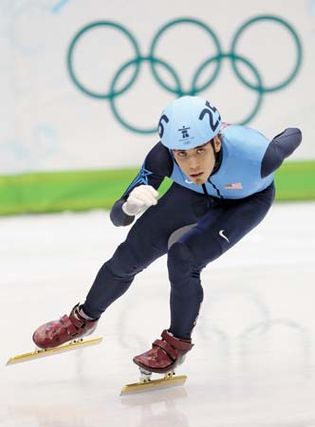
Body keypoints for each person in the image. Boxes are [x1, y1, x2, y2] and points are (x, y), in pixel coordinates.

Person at [33, 95, 302, 374]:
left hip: (245, 201)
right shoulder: (162, 157)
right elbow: (118, 217)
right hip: (192, 194)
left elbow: (293, 135)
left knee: (183, 258)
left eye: (199, 150)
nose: (192, 164)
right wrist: (129, 205)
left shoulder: (259, 156)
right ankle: (84, 318)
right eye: (181, 154)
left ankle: (176, 344)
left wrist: (281, 136)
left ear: (217, 142)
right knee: (129, 255)